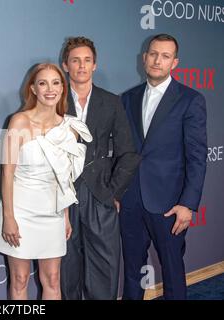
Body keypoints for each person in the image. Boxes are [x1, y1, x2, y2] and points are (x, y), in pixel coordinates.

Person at [0, 63, 92, 300]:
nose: (50, 89)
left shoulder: (69, 128)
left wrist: (65, 216)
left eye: (56, 83)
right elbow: (7, 173)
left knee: (53, 279)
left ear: (63, 88)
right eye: (42, 83)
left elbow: (64, 178)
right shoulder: (19, 122)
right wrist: (9, 218)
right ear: (33, 88)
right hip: (20, 211)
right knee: (20, 279)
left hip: (52, 212)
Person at [120, 34, 207, 300]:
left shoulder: (190, 100)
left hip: (169, 204)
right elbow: (123, 152)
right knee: (132, 272)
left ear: (175, 63)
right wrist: (117, 193)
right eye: (153, 54)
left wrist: (188, 204)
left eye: (165, 56)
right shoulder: (127, 98)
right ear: (144, 58)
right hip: (131, 200)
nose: (158, 60)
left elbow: (196, 156)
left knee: (172, 270)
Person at [59, 37, 141, 300]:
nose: (81, 66)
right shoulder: (53, 101)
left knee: (104, 273)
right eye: (75, 60)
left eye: (86, 60)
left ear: (94, 65)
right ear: (65, 65)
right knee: (64, 271)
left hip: (100, 197)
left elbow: (128, 153)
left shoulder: (111, 102)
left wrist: (113, 193)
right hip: (63, 199)